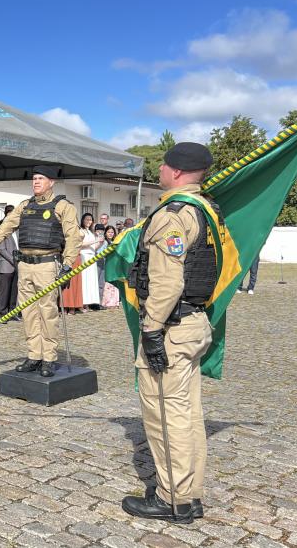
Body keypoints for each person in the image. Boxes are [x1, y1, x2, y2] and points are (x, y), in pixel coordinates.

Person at [121, 142, 219, 523]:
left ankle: (173, 499)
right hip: (193, 323)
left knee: (166, 416)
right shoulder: (207, 210)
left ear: (176, 171)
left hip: (172, 327)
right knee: (188, 414)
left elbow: (166, 282)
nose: (159, 170)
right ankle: (188, 492)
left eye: (163, 165)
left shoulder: (172, 215)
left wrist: (151, 331)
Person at [0, 165, 81, 377]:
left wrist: (67, 265)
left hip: (47, 265)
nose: (36, 182)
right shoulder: (24, 206)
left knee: (47, 312)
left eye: (41, 178)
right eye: (34, 178)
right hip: (25, 265)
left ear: (51, 182)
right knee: (28, 312)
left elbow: (74, 237)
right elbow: (4, 229)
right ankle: (34, 355)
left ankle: (48, 357)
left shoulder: (63, 206)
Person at [78, 212, 103, 312]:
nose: (89, 221)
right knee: (84, 280)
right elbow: (80, 244)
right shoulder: (81, 231)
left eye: (90, 220)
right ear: (83, 220)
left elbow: (93, 247)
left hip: (92, 257)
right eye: (87, 219)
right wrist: (95, 241)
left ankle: (88, 303)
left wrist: (100, 242)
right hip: (84, 256)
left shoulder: (91, 232)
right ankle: (82, 303)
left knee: (91, 281)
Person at [100, 226, 120, 308]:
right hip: (106, 264)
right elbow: (101, 253)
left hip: (114, 265)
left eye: (112, 232)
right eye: (109, 232)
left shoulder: (115, 242)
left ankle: (114, 302)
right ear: (105, 233)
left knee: (114, 284)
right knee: (107, 283)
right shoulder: (104, 242)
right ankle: (106, 301)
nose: (110, 234)